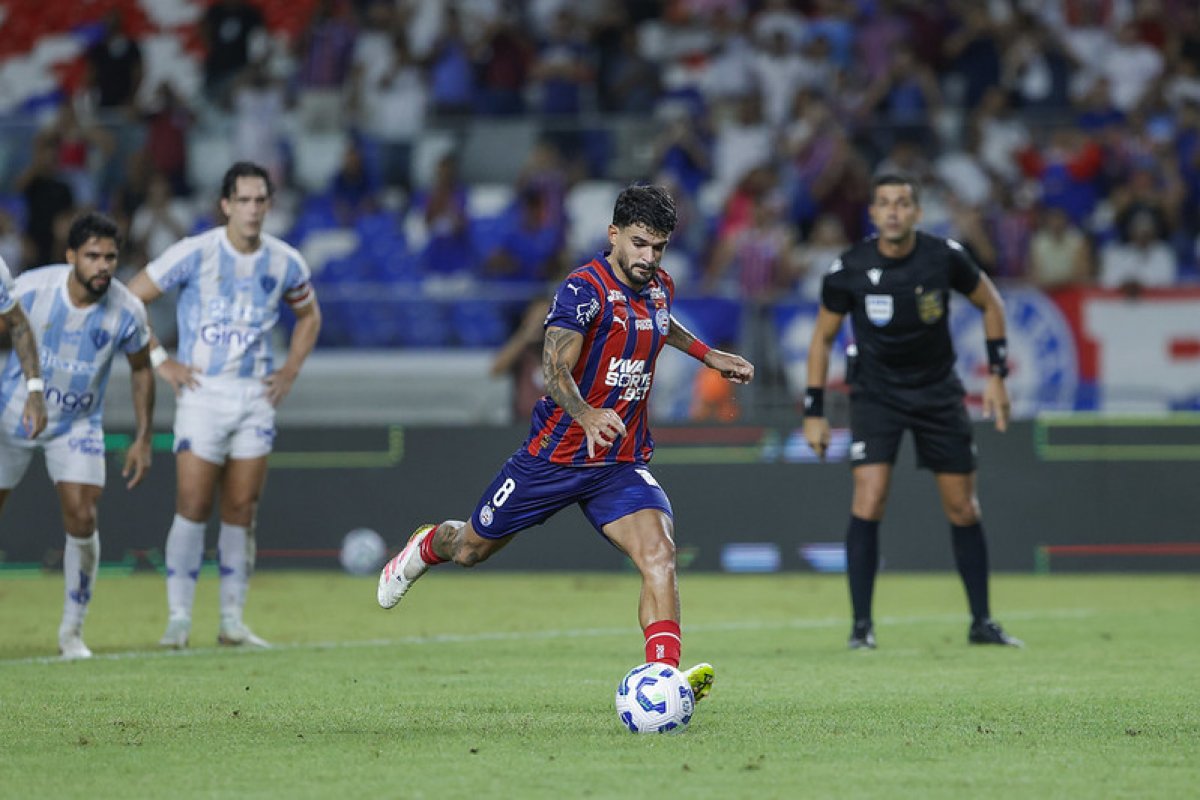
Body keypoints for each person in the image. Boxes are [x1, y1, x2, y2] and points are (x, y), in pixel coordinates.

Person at [377, 185, 754, 700]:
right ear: (614, 235)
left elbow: (660, 325)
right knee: (471, 549)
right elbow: (552, 369)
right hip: (553, 457)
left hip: (618, 461)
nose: (649, 257)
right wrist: (585, 413)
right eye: (640, 244)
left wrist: (708, 354)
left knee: (659, 554)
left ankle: (663, 679)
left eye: (659, 247)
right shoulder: (582, 290)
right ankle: (426, 545)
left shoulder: (660, 285)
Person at [802, 175, 1022, 650]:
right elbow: (821, 339)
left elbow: (992, 304)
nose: (894, 211)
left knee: (963, 506)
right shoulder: (849, 267)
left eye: (903, 203)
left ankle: (981, 622)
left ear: (917, 213)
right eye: (884, 203)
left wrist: (998, 374)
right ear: (874, 214)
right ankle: (861, 627)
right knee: (870, 496)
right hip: (876, 396)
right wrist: (814, 410)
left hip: (938, 393)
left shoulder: (943, 256)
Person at [127, 162, 322, 650]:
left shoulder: (285, 261)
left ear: (269, 205)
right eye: (244, 200)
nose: (253, 210)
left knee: (241, 508)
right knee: (192, 505)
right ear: (225, 204)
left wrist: (290, 371)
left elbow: (309, 316)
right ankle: (177, 618)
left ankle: (232, 621)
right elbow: (132, 298)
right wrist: (160, 360)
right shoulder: (196, 253)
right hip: (203, 392)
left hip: (255, 396)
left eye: (261, 201)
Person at [0, 212, 155, 659]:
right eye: (92, 256)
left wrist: (144, 437)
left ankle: (72, 632)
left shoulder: (127, 309)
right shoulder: (31, 289)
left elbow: (142, 368)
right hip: (12, 413)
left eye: (110, 257)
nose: (103, 265)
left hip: (77, 424)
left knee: (83, 515)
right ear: (71, 256)